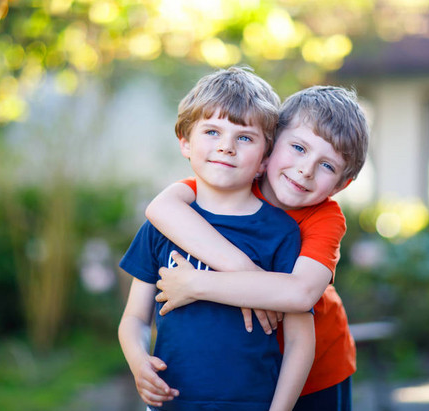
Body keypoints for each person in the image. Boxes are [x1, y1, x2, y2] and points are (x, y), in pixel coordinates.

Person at [145, 85, 369, 411]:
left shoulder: (325, 217)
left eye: (327, 166)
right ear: (270, 145)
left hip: (317, 369)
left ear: (341, 185)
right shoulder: (233, 181)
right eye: (297, 148)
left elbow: (301, 294)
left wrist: (196, 284)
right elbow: (161, 208)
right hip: (247, 370)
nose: (306, 169)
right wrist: (247, 274)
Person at [118, 66, 316, 411]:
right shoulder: (162, 227)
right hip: (174, 403)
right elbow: (135, 317)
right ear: (185, 142)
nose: (226, 147)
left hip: (253, 403)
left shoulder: (280, 233)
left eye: (244, 137)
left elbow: (301, 339)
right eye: (212, 131)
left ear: (264, 160)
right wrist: (138, 361)